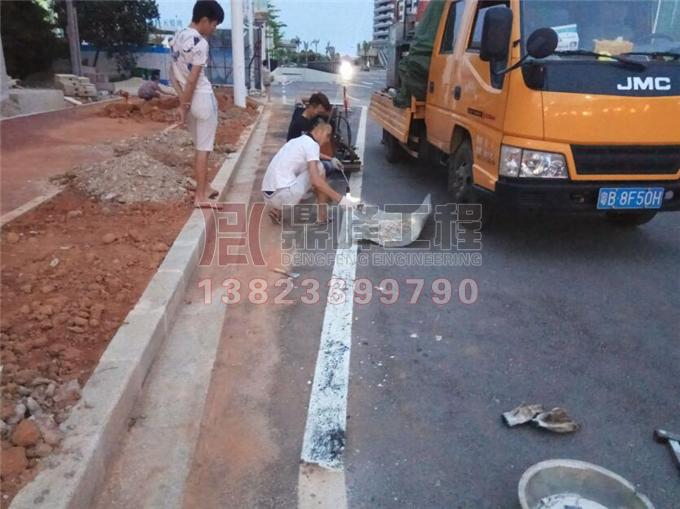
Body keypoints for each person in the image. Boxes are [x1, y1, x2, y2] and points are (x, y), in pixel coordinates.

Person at [170, 0, 224, 208]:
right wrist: (183, 106)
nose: (214, 29)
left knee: (199, 146)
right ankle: (200, 197)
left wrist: (182, 101)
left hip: (190, 99)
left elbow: (173, 73)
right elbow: (194, 78)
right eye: (214, 24)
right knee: (204, 149)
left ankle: (206, 186)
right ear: (204, 20)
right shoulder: (200, 43)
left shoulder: (177, 37)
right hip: (202, 98)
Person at [262, 118, 359, 225]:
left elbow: (313, 155)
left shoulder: (298, 141)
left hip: (268, 196)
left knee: (302, 168)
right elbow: (316, 180)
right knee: (319, 168)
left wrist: (331, 159)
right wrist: (341, 200)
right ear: (321, 132)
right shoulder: (312, 145)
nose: (327, 140)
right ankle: (322, 216)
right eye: (328, 136)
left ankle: (276, 210)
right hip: (283, 196)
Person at [286, 92, 344, 176]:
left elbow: (299, 98)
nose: (320, 114)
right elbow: (308, 152)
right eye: (319, 112)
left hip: (305, 152)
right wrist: (330, 159)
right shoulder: (300, 124)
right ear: (312, 106)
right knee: (328, 167)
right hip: (298, 159)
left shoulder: (301, 110)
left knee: (329, 162)